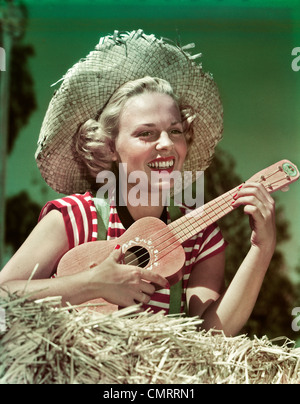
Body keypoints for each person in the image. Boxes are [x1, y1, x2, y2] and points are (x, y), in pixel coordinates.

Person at [0, 30, 276, 336]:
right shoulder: (72, 219)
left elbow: (214, 337)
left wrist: (262, 248)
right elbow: (3, 297)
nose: (166, 144)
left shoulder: (203, 237)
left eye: (175, 131)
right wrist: (91, 284)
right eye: (146, 133)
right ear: (109, 147)